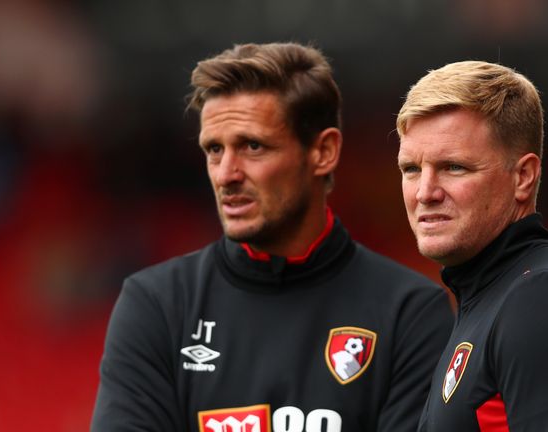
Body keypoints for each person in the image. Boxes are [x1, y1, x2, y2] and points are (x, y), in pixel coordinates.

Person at [91, 42, 453, 432]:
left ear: (323, 151)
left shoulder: (410, 313)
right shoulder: (156, 305)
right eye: (214, 149)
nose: (226, 173)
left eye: (252, 146)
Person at [396, 61, 548, 431]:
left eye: (454, 167)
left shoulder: (547, 300)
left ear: (523, 177)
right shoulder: (490, 303)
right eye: (411, 169)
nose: (425, 192)